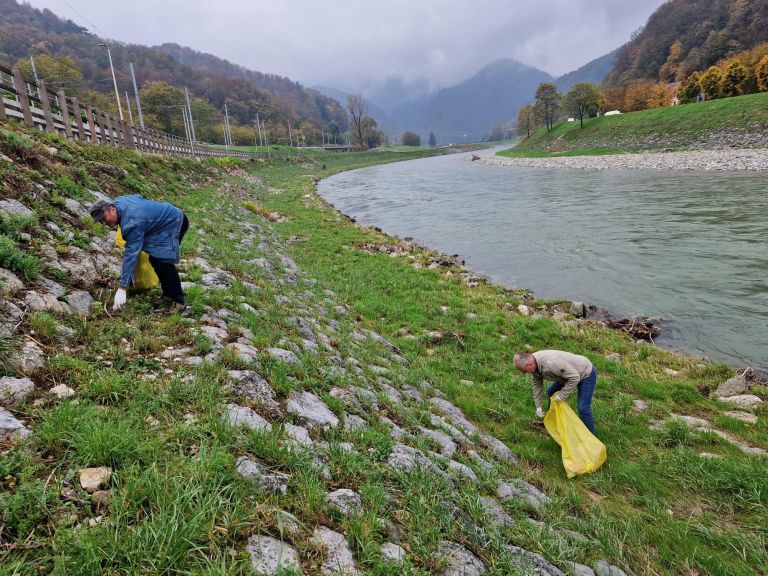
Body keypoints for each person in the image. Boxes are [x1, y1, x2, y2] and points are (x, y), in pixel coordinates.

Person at [89, 195, 190, 313]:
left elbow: (131, 255)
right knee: (155, 259)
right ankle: (168, 295)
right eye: (100, 221)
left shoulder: (132, 223)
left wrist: (122, 288)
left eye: (104, 218)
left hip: (175, 221)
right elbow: (139, 196)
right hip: (164, 220)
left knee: (164, 262)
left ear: (111, 209)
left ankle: (179, 303)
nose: (104, 222)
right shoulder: (119, 202)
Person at [513, 350, 597, 434]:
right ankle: (553, 422)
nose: (524, 373)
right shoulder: (533, 363)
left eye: (524, 371)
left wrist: (561, 396)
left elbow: (574, 378)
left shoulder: (551, 364)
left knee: (583, 408)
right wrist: (538, 406)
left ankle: (591, 438)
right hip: (566, 375)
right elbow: (537, 386)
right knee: (551, 391)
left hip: (585, 373)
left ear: (529, 365)